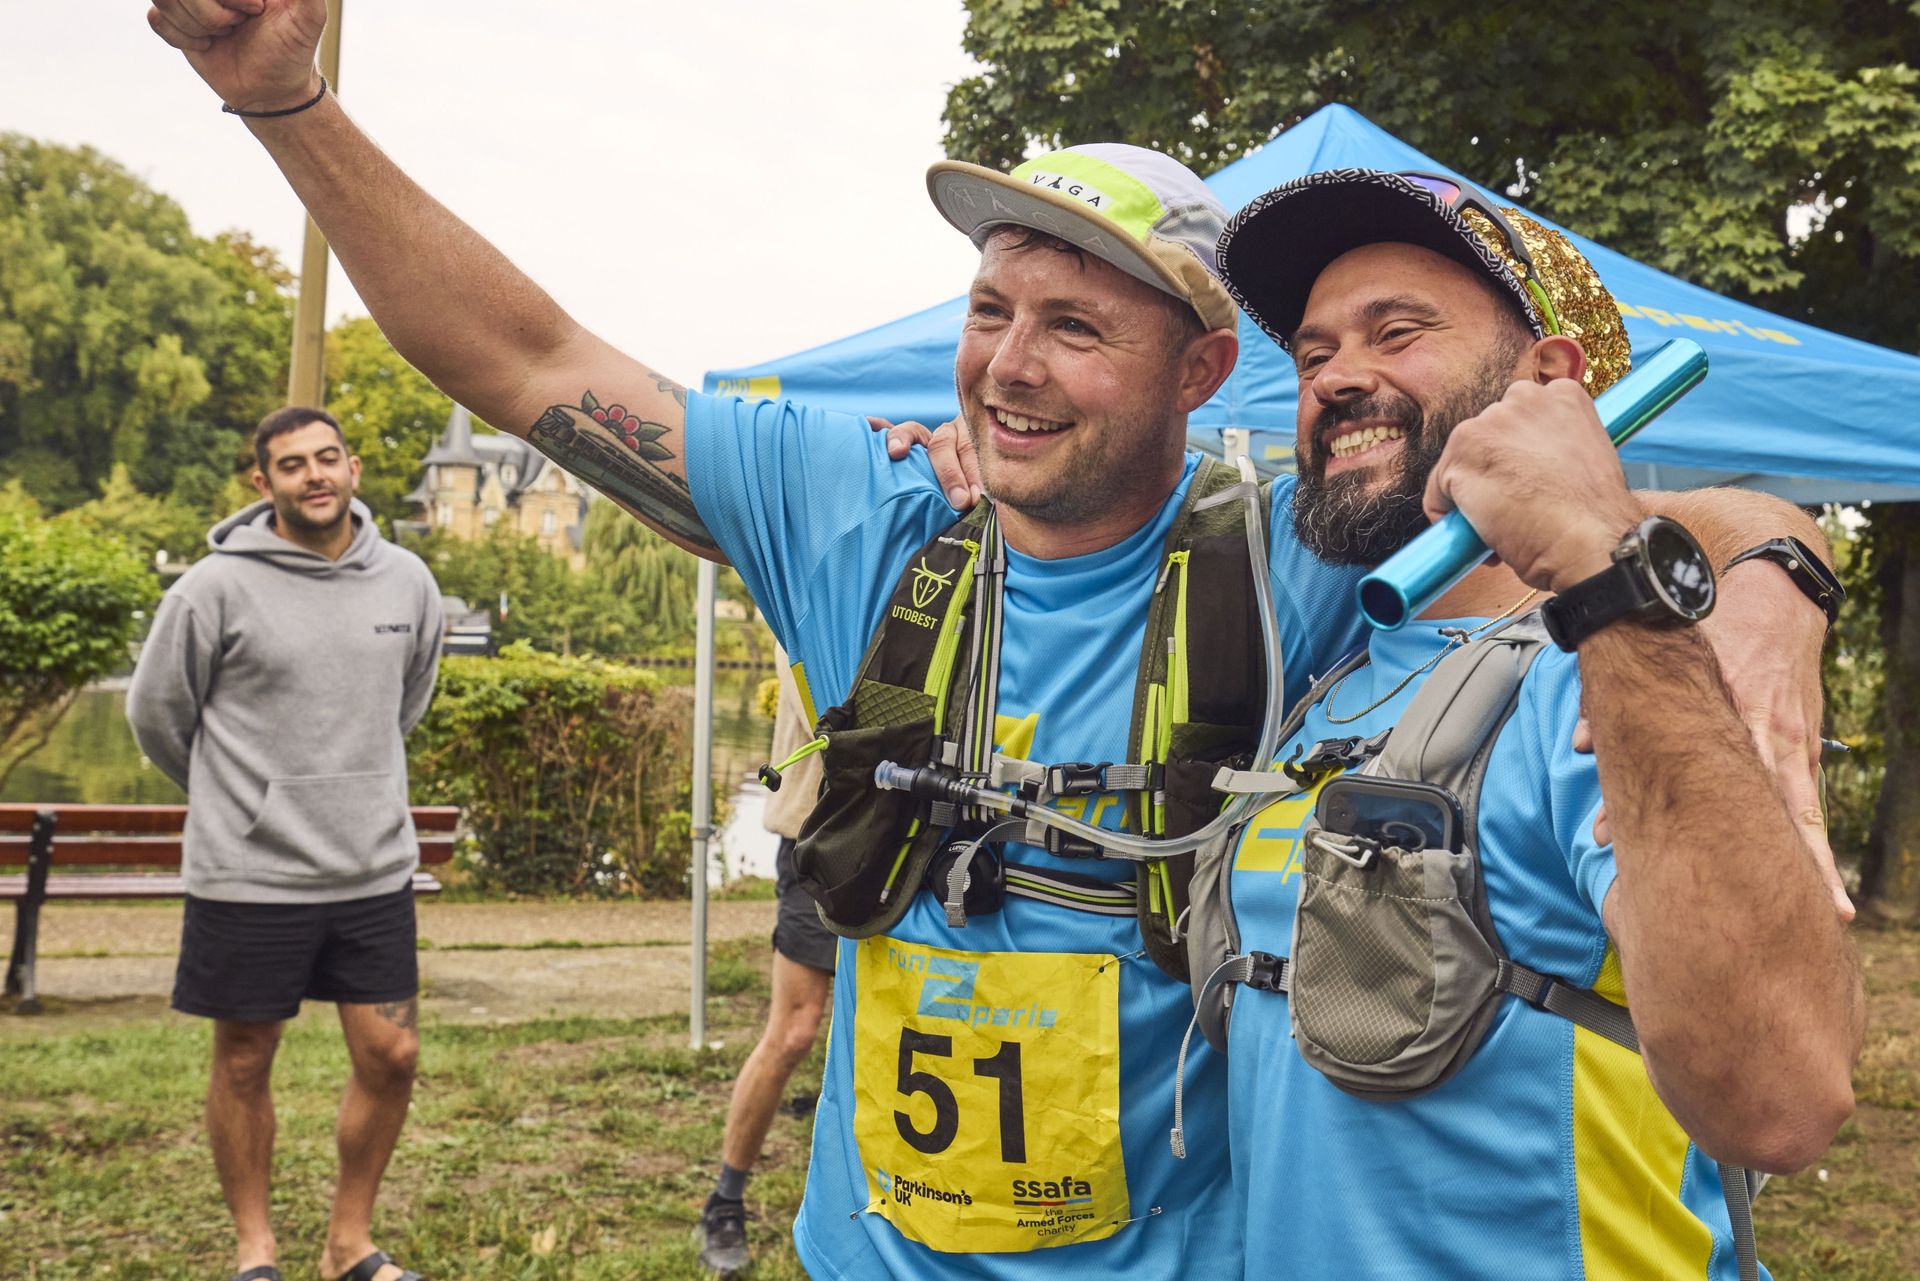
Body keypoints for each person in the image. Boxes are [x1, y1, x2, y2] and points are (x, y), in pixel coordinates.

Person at [144, 8, 1838, 1276]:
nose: (1005, 366)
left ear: (1193, 379)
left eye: (1075, 326)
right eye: (988, 310)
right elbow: (521, 361)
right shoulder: (858, 522)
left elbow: (1615, 494)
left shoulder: (1295, 571)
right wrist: (288, 104)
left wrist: (1772, 576)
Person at [1190, 172, 1863, 1278]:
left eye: (1397, 332)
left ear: (1548, 382)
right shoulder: (1326, 674)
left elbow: (1782, 1101)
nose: (1337, 378)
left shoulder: (1608, 678)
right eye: (1313, 357)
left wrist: (1610, 577)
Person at [127, 407, 443, 1281]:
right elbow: (156, 715)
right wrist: (239, 799)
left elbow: (404, 702)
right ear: (261, 483)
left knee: (394, 1052)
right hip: (250, 874)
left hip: (372, 866)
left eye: (328, 458)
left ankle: (349, 1246)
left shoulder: (407, 581)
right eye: (292, 463)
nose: (315, 475)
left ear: (352, 468)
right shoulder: (211, 589)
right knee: (243, 1058)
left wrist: (354, 784)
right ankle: (255, 1252)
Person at [696, 657, 834, 1274]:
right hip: (818, 838)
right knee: (795, 1030)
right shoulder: (816, 582)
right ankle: (725, 1200)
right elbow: (836, 709)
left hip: (911, 844)